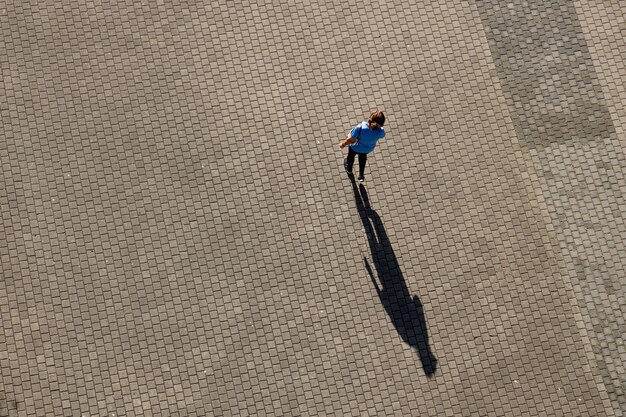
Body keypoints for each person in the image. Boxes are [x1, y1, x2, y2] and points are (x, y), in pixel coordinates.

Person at [339, 110, 386, 183]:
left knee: (350, 157)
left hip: (354, 147)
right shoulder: (381, 131)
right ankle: (361, 175)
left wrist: (343, 144)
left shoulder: (360, 128)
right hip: (367, 149)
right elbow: (382, 136)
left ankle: (349, 169)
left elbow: (350, 139)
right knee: (362, 159)